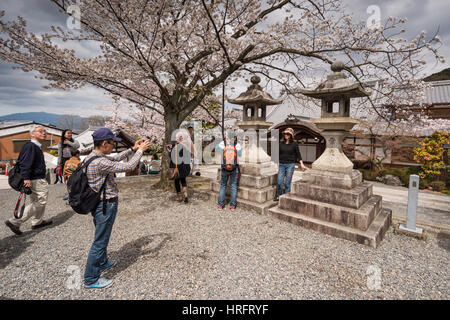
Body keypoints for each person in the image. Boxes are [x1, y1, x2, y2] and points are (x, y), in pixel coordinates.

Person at [83, 128, 150, 289]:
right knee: (100, 241)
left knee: (102, 235)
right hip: (105, 205)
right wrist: (140, 152)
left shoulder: (93, 157)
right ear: (104, 143)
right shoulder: (100, 162)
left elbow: (115, 159)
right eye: (112, 143)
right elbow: (128, 166)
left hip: (99, 204)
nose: (113, 146)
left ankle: (103, 262)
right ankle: (91, 279)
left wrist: (132, 149)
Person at [4, 125, 53, 235]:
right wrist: (26, 178)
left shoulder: (35, 146)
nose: (44, 133)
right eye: (40, 131)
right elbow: (25, 163)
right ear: (33, 134)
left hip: (35, 178)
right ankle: (14, 222)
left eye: (45, 131)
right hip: (36, 179)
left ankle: (37, 222)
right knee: (41, 201)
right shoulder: (31, 146)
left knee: (35, 201)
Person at [274, 127, 308, 201]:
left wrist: (301, 164)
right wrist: (275, 164)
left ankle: (286, 198)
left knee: (287, 183)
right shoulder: (280, 143)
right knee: (279, 182)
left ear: (291, 135)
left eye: (288, 134)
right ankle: (279, 196)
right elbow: (276, 154)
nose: (286, 135)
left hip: (290, 165)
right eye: (285, 134)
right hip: (282, 165)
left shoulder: (294, 144)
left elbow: (298, 154)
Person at [216, 134, 242, 211]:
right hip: (234, 168)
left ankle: (220, 205)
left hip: (224, 167)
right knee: (233, 186)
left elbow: (217, 148)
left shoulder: (223, 143)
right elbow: (240, 155)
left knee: (223, 185)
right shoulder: (237, 145)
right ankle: (232, 206)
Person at [169, 130, 192, 203]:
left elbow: (171, 156)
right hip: (183, 167)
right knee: (183, 181)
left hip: (176, 167)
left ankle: (179, 197)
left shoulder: (174, 146)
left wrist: (169, 152)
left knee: (176, 181)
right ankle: (185, 195)